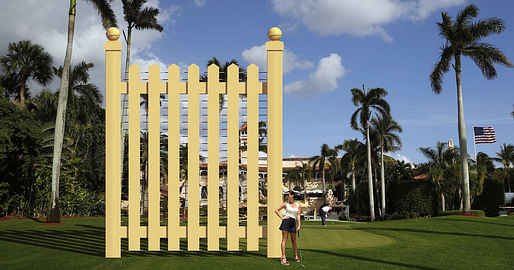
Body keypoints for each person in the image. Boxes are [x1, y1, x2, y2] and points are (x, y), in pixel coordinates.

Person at [275, 191, 301, 265]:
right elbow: (276, 210)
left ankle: (295, 255)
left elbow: (298, 215)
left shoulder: (298, 205)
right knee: (285, 239)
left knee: (293, 240)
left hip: (293, 222)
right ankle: (283, 257)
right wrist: (282, 217)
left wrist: (299, 225)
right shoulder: (285, 204)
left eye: (288, 195)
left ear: (292, 195)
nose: (287, 196)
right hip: (286, 222)